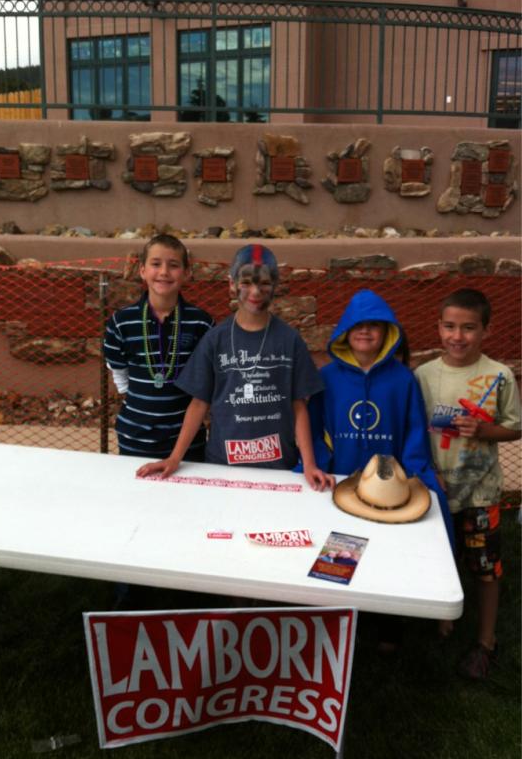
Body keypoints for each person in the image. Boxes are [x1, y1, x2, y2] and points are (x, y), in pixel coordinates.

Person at [305, 288, 453, 652]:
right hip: (343, 475)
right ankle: (337, 618)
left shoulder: (402, 379)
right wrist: (322, 467)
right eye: (358, 326)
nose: (366, 332)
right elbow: (314, 425)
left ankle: (389, 619)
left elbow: (414, 426)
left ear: (388, 333)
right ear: (344, 332)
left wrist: (416, 468)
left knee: (390, 548)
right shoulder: (329, 377)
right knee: (340, 546)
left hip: (388, 485)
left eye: (374, 326)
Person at [136, 243, 334, 492]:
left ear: (276, 286)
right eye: (246, 282)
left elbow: (299, 405)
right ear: (231, 284)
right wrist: (175, 458)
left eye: (264, 283)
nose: (255, 291)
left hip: (278, 466)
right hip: (223, 465)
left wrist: (308, 464)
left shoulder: (289, 339)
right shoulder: (215, 339)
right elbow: (199, 404)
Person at [415, 288, 521, 680]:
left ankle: (486, 641)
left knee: (485, 567)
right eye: (449, 326)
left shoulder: (499, 376)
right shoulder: (424, 376)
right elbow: (413, 432)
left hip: (480, 491)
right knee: (441, 556)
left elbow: (514, 428)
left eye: (468, 328)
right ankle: (444, 617)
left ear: (486, 331)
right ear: (438, 327)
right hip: (435, 489)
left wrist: (484, 429)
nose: (457, 336)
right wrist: (427, 472)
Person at [104, 233, 214, 460]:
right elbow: (119, 374)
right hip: (135, 437)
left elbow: (206, 380)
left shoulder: (201, 323)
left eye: (173, 265)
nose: (164, 272)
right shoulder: (121, 322)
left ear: (186, 272)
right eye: (156, 264)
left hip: (186, 442)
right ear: (142, 270)